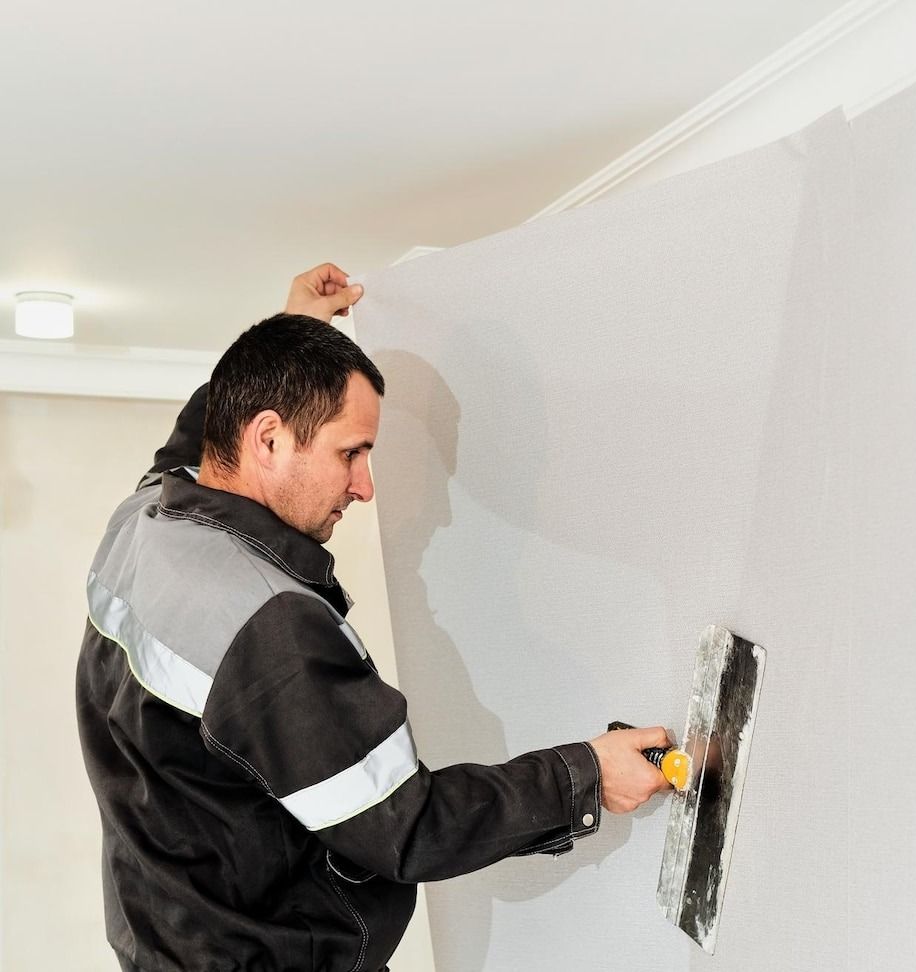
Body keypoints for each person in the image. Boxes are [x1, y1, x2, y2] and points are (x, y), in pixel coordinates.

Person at [76, 264, 672, 972]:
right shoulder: (271, 630)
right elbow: (407, 824)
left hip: (164, 941)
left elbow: (196, 441)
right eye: (350, 453)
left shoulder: (142, 523)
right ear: (266, 439)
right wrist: (586, 777)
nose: (364, 486)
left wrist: (296, 334)